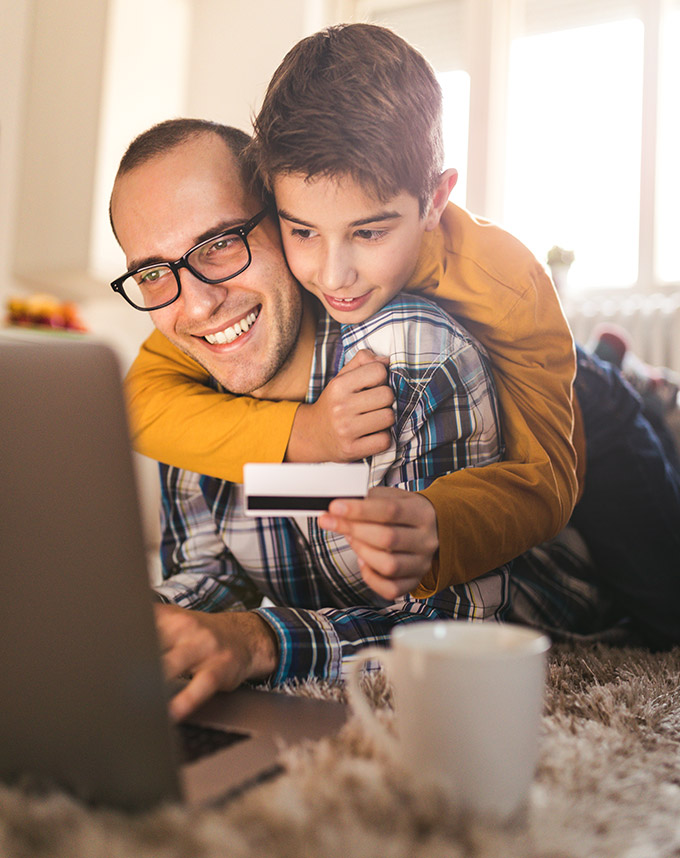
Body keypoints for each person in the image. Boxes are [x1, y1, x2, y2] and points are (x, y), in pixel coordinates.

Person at [121, 23, 582, 602]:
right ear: (274, 207)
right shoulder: (238, 288)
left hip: (552, 388)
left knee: (649, 562)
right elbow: (142, 403)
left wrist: (437, 520)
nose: (334, 276)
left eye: (369, 231)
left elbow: (550, 482)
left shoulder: (507, 286)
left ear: (435, 200)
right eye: (302, 230)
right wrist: (306, 435)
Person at [110, 122, 518, 721]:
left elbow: (455, 627)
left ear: (285, 220)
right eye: (152, 274)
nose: (196, 306)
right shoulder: (183, 389)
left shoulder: (414, 355)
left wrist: (258, 640)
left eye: (220, 242)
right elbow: (210, 571)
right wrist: (129, 624)